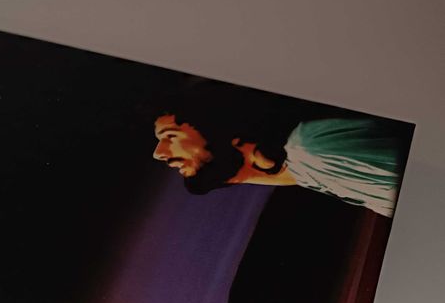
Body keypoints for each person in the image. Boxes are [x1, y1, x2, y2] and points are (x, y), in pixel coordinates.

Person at [150, 81, 410, 217]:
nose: (158, 153)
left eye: (170, 135)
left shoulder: (311, 149)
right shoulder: (303, 165)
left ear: (218, 124)